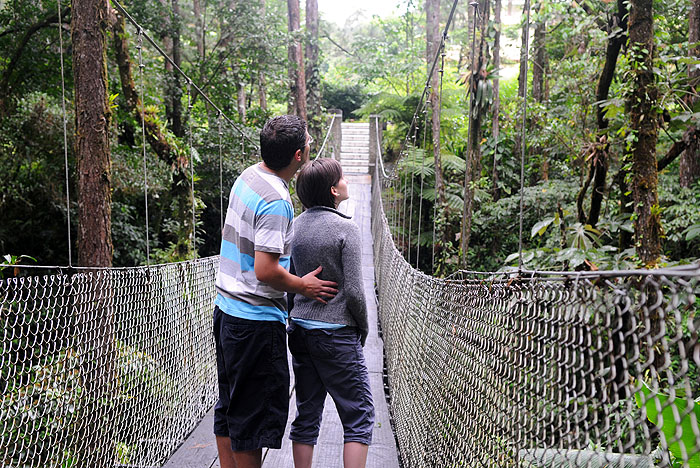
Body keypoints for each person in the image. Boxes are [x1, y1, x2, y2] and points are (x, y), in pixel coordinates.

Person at [213, 115, 339, 468]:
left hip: (226, 312)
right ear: (299, 155)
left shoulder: (249, 176)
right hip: (254, 324)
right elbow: (266, 270)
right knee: (252, 419)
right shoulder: (277, 201)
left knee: (230, 407)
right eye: (310, 142)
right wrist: (304, 285)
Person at [287, 158, 375, 468]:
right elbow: (353, 290)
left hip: (299, 331)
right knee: (359, 417)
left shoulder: (294, 227)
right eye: (343, 178)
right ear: (334, 191)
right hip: (336, 334)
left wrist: (293, 316)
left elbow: (292, 283)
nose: (347, 181)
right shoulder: (346, 228)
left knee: (307, 414)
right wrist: (362, 328)